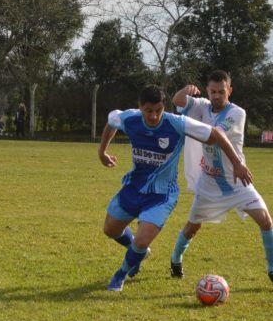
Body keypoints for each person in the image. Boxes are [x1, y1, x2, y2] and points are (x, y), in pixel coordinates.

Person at [98, 85, 252, 292]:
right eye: (149, 111)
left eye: (159, 110)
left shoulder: (177, 123)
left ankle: (121, 274)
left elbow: (216, 134)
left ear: (164, 107)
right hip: (134, 188)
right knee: (110, 230)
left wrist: (237, 164)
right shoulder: (129, 118)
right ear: (140, 108)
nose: (154, 116)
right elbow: (111, 121)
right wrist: (102, 151)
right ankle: (138, 252)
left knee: (142, 239)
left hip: (162, 195)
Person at [170, 71, 273, 282]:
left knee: (265, 221)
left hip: (237, 181)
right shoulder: (201, 106)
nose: (217, 96)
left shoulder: (237, 113)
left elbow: (215, 135)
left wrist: (237, 164)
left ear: (230, 91)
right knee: (192, 228)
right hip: (208, 183)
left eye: (221, 92)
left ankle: (272, 269)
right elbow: (177, 100)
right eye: (213, 91)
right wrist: (186, 90)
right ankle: (175, 259)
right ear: (208, 90)